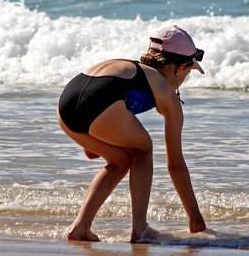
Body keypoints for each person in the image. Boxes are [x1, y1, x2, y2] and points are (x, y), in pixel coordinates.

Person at [57, 25, 208, 243]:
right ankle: (140, 228)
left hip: (65, 107)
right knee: (143, 149)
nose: (186, 77)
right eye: (188, 71)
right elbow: (175, 164)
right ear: (179, 68)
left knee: (119, 161)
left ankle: (80, 227)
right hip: (99, 103)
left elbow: (93, 94)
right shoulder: (165, 90)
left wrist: (95, 140)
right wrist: (194, 215)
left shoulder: (128, 68)